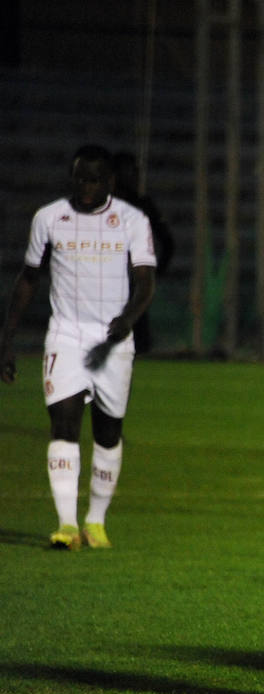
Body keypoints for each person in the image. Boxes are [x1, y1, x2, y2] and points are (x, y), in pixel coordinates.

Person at [1, 144, 157, 550]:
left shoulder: (131, 221)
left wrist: (128, 319)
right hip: (66, 336)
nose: (86, 186)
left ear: (110, 182)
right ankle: (67, 525)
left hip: (113, 341)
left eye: (94, 179)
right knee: (64, 425)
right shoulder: (49, 218)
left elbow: (145, 279)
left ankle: (96, 521)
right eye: (79, 178)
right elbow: (29, 278)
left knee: (108, 433)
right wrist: (7, 338)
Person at [112, 151, 176, 353]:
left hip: (131, 282)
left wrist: (154, 274)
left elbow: (168, 242)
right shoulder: (101, 207)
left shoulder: (142, 205)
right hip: (107, 283)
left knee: (137, 339)